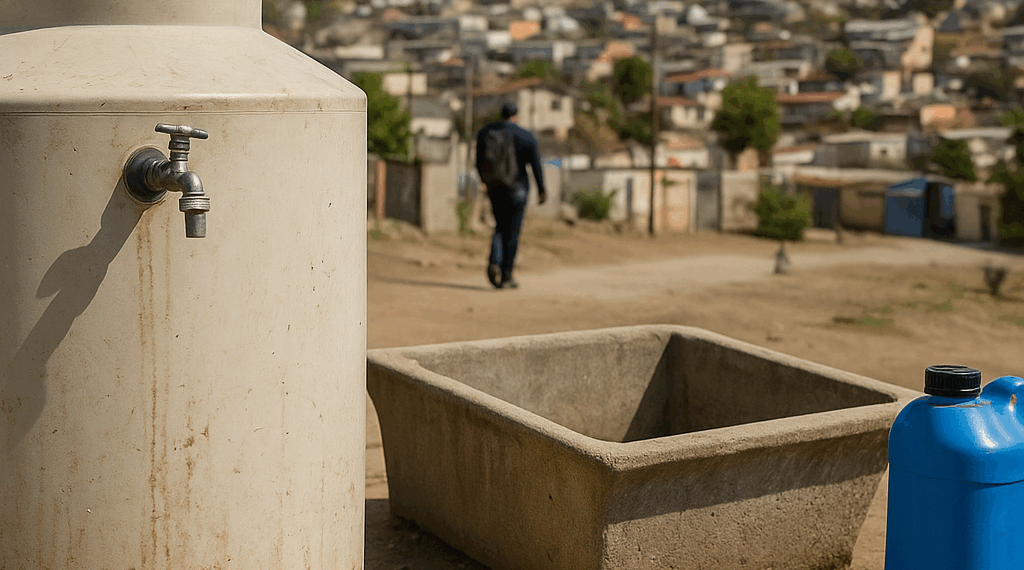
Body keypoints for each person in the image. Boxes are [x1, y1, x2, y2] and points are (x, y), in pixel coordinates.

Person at [475, 101, 547, 289]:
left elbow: (478, 160)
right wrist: (541, 189)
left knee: (499, 227)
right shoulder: (525, 136)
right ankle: (507, 275)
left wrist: (484, 180)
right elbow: (536, 165)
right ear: (516, 115)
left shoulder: (486, 133)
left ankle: (493, 262)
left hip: (495, 188)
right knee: (512, 232)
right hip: (518, 189)